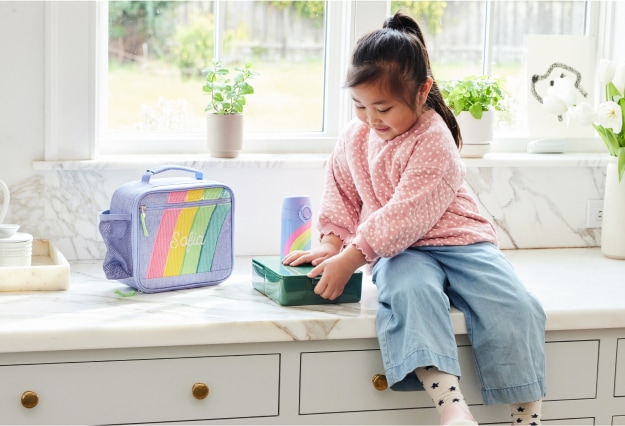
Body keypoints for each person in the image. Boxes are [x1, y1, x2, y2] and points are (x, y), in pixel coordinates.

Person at [282, 11, 546, 426]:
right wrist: (331, 246)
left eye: (383, 107)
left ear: (423, 91)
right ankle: (451, 407)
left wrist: (352, 257)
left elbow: (406, 214)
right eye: (359, 106)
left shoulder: (434, 138)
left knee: (516, 306)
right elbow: (341, 190)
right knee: (411, 294)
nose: (371, 119)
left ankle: (526, 415)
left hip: (461, 241)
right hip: (399, 251)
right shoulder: (356, 137)